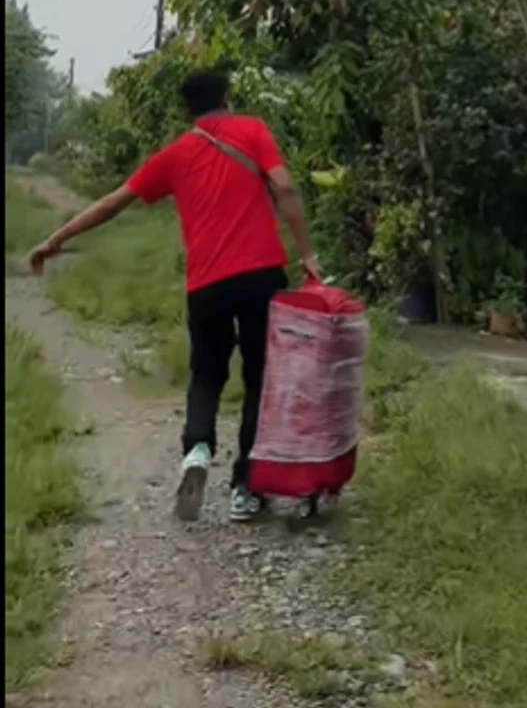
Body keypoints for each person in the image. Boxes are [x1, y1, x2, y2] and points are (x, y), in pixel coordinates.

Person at [29, 71, 321, 524]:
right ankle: (246, 488)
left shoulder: (174, 156)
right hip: (262, 275)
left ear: (188, 111)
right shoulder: (253, 130)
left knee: (206, 373)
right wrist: (307, 255)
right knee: (260, 377)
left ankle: (197, 451)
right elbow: (284, 187)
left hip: (206, 284)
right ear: (226, 98)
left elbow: (113, 202)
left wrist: (56, 239)